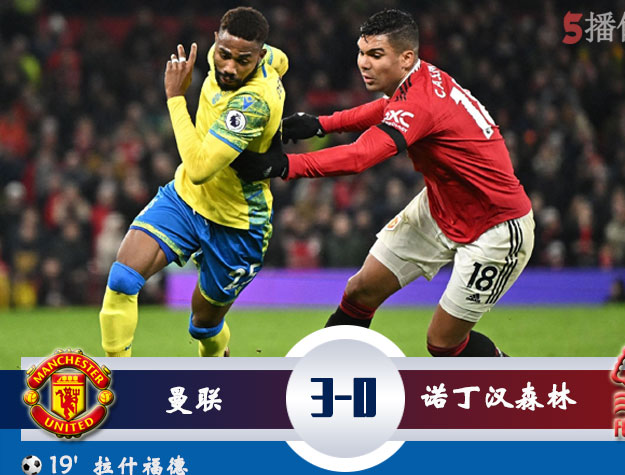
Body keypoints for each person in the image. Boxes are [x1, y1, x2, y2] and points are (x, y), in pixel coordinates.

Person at [232, 9, 533, 357]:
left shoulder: (421, 102)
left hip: (496, 228)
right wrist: (321, 124)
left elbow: (360, 156)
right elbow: (385, 109)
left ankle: (518, 381)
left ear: (406, 58)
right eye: (362, 52)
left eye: (376, 55)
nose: (364, 63)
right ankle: (327, 375)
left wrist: (283, 165)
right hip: (441, 206)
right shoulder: (419, 79)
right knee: (360, 291)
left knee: (443, 343)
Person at [99, 7, 287, 357]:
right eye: (224, 54)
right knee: (123, 279)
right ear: (216, 40)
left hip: (237, 223)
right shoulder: (260, 57)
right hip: (187, 199)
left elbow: (200, 167)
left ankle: (217, 363)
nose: (230, 67)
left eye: (243, 61)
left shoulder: (252, 102)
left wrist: (175, 97)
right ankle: (118, 379)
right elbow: (283, 60)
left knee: (203, 326)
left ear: (259, 56)